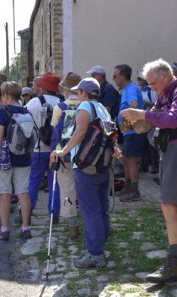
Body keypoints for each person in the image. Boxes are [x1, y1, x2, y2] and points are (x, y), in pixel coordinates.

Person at [120, 59, 177, 284]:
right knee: (173, 203)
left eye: (153, 84)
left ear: (165, 76)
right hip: (171, 147)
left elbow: (174, 120)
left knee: (168, 203)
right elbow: (154, 118)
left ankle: (173, 260)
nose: (152, 89)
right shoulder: (167, 92)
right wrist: (133, 120)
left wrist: (142, 114)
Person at [50, 78, 113, 269]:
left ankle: (95, 253)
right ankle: (99, 244)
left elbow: (80, 131)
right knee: (101, 208)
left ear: (84, 93)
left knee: (90, 210)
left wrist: (63, 151)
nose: (77, 95)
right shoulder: (102, 108)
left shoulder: (85, 106)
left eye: (78, 92)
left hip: (86, 166)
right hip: (102, 164)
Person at [0, 81, 33, 241]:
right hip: (23, 157)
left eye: (1, 95)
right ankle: (26, 228)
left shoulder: (2, 113)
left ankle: (4, 230)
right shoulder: (27, 112)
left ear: (6, 95)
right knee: (23, 192)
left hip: (4, 159)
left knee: (4, 193)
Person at [26, 72, 62, 222]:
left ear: (42, 87)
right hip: (58, 148)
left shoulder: (34, 103)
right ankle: (54, 213)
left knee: (34, 179)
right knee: (55, 181)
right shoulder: (62, 102)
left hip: (38, 147)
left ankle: (27, 211)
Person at [51, 72, 82, 239]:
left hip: (65, 154)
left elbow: (54, 132)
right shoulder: (88, 105)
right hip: (85, 155)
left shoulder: (60, 108)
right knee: (85, 188)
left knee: (66, 189)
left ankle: (72, 224)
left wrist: (53, 153)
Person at [113, 64, 146, 202]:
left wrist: (125, 121)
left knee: (131, 160)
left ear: (123, 76)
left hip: (133, 130)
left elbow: (133, 103)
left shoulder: (131, 88)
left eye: (115, 76)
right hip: (128, 131)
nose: (113, 78)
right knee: (126, 159)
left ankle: (135, 190)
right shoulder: (127, 89)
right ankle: (128, 186)